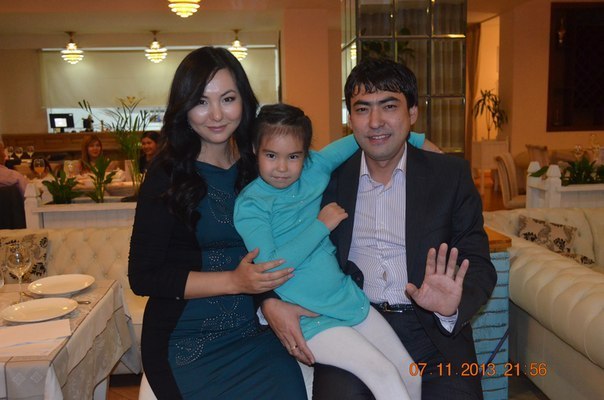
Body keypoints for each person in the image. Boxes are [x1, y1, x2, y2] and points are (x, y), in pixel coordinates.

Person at [261, 58, 497, 400]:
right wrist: (269, 301)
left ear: (412, 112)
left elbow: (479, 262)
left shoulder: (450, 176)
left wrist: (452, 305)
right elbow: (274, 239)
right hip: (353, 323)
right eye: (362, 109)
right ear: (350, 118)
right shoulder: (324, 182)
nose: (375, 122)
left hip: (434, 334)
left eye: (389, 106)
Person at [128, 47, 306, 400]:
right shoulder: (167, 173)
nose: (216, 115)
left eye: (227, 99)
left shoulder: (259, 164)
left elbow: (320, 167)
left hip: (255, 332)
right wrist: (234, 281)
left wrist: (415, 142)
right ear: (183, 107)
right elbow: (143, 276)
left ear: (244, 100)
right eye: (201, 101)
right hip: (185, 340)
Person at [234, 103, 425, 400]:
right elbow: (270, 267)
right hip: (307, 316)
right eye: (271, 155)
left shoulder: (315, 169)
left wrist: (420, 140)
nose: (282, 167)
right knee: (383, 374)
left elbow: (363, 138)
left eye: (293, 156)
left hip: (345, 298)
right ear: (255, 149)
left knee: (410, 373)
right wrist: (321, 226)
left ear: (306, 155)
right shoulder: (251, 204)